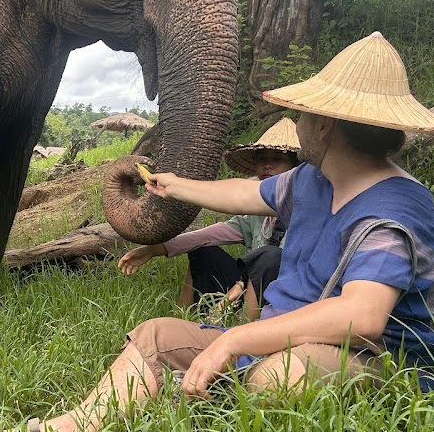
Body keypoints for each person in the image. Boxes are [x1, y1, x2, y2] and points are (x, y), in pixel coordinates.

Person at [10, 32, 434, 432]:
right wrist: (176, 185)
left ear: (323, 126)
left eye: (302, 114)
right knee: (156, 335)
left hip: (379, 361)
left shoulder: (395, 208)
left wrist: (234, 340)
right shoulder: (311, 179)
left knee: (278, 379)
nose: (296, 124)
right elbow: (243, 194)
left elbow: (363, 316)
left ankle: (195, 400)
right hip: (287, 338)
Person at [117, 118, 300, 320]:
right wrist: (155, 249)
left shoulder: (307, 207)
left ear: (296, 166)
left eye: (277, 159)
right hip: (248, 287)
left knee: (268, 256)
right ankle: (180, 319)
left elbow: (286, 268)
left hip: (286, 298)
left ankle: (245, 335)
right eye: (261, 158)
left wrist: (236, 290)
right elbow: (207, 236)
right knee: (203, 252)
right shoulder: (254, 216)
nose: (267, 165)